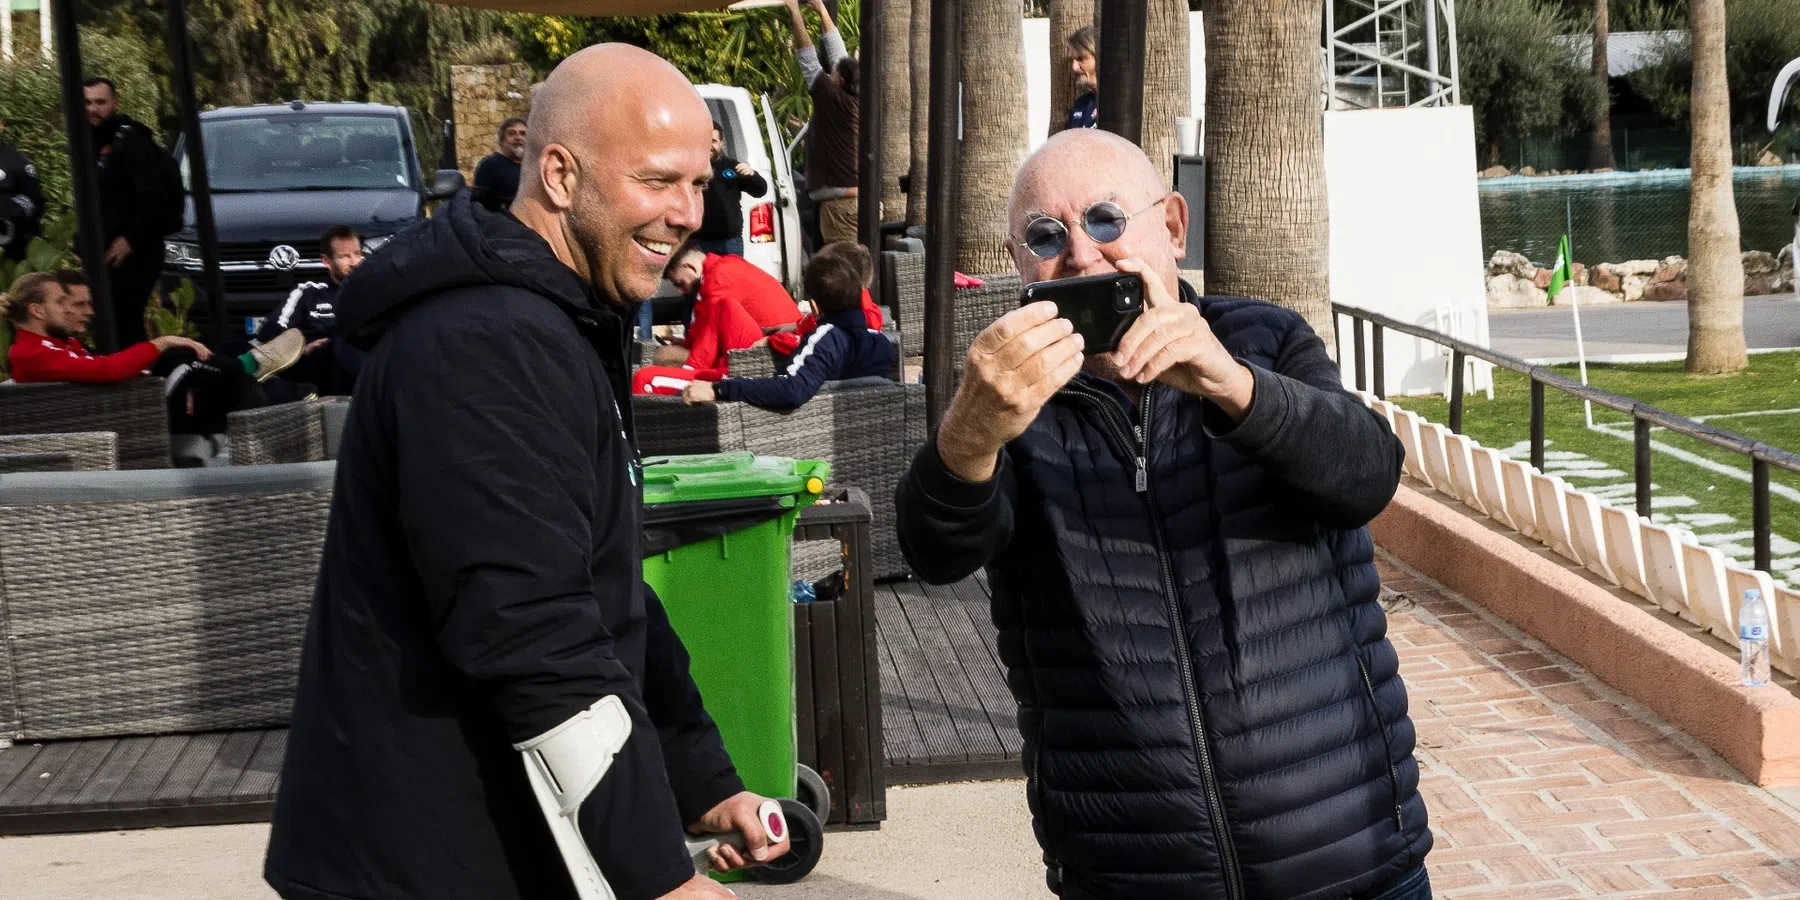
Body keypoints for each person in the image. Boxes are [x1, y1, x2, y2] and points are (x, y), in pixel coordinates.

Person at [265, 44, 783, 900]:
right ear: (560, 173)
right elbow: (530, 630)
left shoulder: (563, 318)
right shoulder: (486, 342)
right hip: (421, 860)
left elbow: (600, 582)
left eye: (699, 183)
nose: (687, 213)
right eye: (659, 181)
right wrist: (659, 877)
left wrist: (701, 780)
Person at [895, 129, 1430, 900]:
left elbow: (1367, 476)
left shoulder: (1265, 340)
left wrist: (1231, 384)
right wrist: (970, 432)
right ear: (1019, 265)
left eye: (1107, 219)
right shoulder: (1010, 395)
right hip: (1130, 872)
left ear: (1172, 227)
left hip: (1348, 855)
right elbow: (935, 552)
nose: (1081, 255)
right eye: (1046, 236)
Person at [5, 269, 305, 435]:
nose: (70, 308)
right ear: (37, 311)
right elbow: (106, 371)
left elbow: (100, 368)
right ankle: (258, 370)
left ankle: (284, 387)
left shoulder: (57, 343)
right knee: (182, 361)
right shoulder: (31, 353)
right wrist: (161, 343)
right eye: (61, 302)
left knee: (217, 364)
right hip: (130, 420)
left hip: (134, 406)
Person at [683, 241, 891, 411]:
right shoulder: (881, 343)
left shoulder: (824, 340)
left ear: (814, 306)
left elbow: (792, 389)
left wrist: (720, 389)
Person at [87, 77, 176, 348]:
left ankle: (137, 385)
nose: (93, 109)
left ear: (115, 104)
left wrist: (129, 239)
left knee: (123, 324)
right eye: (87, 103)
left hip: (136, 250)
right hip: (107, 252)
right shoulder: (90, 141)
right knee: (111, 324)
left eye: (100, 102)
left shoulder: (130, 139)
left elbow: (153, 197)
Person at [630, 245, 771, 397]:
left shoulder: (717, 280)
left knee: (645, 376)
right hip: (754, 357)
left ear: (691, 267)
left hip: (747, 364)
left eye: (679, 283)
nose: (680, 291)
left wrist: (687, 364)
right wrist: (685, 344)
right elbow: (711, 331)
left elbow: (706, 349)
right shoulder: (722, 269)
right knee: (660, 361)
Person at [254, 225, 368, 395]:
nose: (354, 262)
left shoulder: (373, 291)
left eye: (358, 254)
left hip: (365, 363)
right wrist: (302, 348)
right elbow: (271, 333)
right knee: (337, 344)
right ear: (326, 261)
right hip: (317, 368)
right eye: (345, 256)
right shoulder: (309, 292)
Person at [781, 0, 859, 245]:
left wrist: (795, 13)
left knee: (844, 267)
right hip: (849, 200)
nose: (830, 73)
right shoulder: (855, 97)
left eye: (834, 75)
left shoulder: (832, 98)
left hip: (842, 204)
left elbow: (807, 58)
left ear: (839, 83)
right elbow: (840, 56)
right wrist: (822, 10)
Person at [694, 121, 768, 258]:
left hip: (729, 242)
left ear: (722, 144)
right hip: (697, 243)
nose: (709, 146)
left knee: (732, 279)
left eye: (714, 141)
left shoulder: (732, 167)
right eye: (705, 140)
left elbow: (760, 191)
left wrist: (752, 175)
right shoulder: (689, 168)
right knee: (699, 280)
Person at [0, 120, 45, 262]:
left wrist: (7, 211)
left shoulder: (16, 161)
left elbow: (35, 201)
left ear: (1, 126)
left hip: (11, 253)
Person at [472, 117, 527, 211]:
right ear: (501, 141)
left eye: (523, 134)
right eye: (511, 133)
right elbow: (479, 205)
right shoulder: (490, 165)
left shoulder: (534, 167)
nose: (518, 138)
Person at [1065, 26, 1099, 131]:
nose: (1074, 68)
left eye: (1081, 59)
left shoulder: (1119, 104)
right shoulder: (1081, 104)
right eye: (1073, 60)